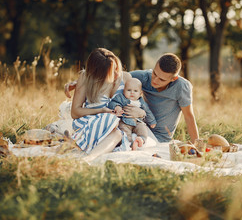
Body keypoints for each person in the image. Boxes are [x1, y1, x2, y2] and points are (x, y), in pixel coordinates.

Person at [65, 53, 199, 144]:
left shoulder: (182, 87)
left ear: (173, 78)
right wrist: (79, 83)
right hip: (136, 124)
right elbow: (115, 75)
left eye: (161, 79)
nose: (155, 80)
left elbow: (189, 117)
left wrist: (196, 145)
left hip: (159, 137)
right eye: (154, 73)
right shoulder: (144, 77)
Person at [70, 48, 131, 160]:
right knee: (110, 120)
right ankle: (85, 149)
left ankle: (89, 157)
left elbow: (146, 78)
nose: (116, 74)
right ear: (97, 74)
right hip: (90, 123)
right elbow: (75, 112)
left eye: (116, 68)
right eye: (111, 72)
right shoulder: (86, 78)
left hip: (116, 127)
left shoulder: (126, 78)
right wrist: (101, 110)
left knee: (117, 134)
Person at [108, 78, 157, 150]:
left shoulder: (141, 102)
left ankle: (140, 140)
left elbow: (147, 111)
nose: (132, 93)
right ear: (124, 91)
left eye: (135, 91)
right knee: (125, 133)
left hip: (138, 122)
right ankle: (129, 145)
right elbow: (112, 103)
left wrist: (152, 121)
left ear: (140, 93)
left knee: (143, 129)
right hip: (125, 122)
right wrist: (117, 107)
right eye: (129, 90)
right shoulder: (121, 98)